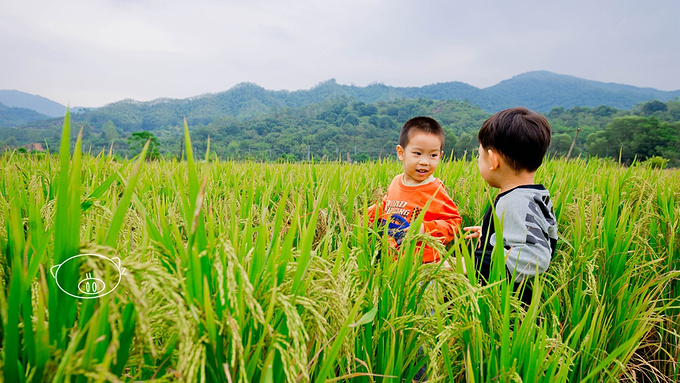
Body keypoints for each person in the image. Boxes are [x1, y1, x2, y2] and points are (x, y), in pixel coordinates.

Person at [464, 107, 558, 305]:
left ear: (493, 160)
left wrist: (466, 264)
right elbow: (537, 232)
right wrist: (491, 233)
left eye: (479, 156)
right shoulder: (532, 194)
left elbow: (537, 255)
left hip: (509, 305)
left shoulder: (515, 202)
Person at [367, 116, 462, 264]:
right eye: (417, 153)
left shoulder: (434, 190)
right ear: (401, 153)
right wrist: (366, 216)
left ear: (440, 156)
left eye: (433, 155)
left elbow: (453, 222)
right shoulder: (395, 182)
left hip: (423, 265)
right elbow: (386, 207)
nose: (424, 162)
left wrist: (424, 228)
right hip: (392, 261)